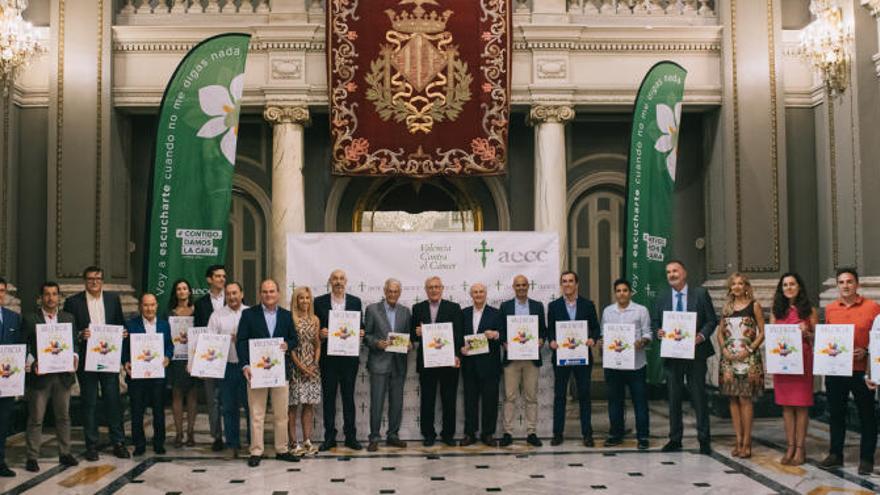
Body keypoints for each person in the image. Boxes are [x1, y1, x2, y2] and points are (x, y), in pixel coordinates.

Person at [62, 266, 129, 460]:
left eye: (98, 278)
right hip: (87, 361)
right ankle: (91, 445)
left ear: (102, 280)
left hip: (108, 360)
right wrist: (80, 334)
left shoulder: (112, 299)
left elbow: (120, 323)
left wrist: (123, 333)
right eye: (90, 279)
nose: (94, 282)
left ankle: (118, 442)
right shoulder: (73, 302)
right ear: (85, 281)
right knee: (89, 403)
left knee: (113, 401)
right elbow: (67, 331)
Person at [653, 259, 718, 455]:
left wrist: (701, 336)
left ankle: (704, 439)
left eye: (675, 271)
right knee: (673, 398)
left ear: (684, 273)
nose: (671, 274)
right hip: (672, 355)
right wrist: (659, 332)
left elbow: (711, 320)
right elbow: (656, 322)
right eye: (668, 272)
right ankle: (675, 439)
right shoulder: (661, 297)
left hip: (696, 353)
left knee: (698, 396)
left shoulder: (700, 294)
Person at [819, 268, 880, 475]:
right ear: (837, 285)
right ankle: (835, 454)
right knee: (836, 414)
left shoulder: (873, 308)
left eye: (849, 281)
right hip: (836, 371)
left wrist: (867, 351)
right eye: (841, 282)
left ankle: (866, 458)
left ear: (857, 284)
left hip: (862, 371)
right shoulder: (830, 309)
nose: (845, 285)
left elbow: (879, 339)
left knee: (867, 415)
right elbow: (826, 340)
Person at [236, 279, 300, 467]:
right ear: (260, 294)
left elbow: (294, 339)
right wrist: (245, 365)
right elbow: (241, 341)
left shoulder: (287, 316)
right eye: (265, 292)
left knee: (281, 414)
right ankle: (256, 451)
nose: (268, 295)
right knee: (257, 414)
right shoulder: (248, 315)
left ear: (278, 293)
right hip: (256, 373)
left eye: (272, 291)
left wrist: (288, 345)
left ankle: (282, 449)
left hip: (280, 372)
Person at [22, 282, 79, 472]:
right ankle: (32, 457)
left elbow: (74, 345)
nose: (51, 298)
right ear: (41, 297)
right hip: (40, 378)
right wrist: (32, 363)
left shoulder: (68, 318)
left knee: (63, 417)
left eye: (54, 294)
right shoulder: (31, 319)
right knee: (36, 418)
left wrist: (75, 357)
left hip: (63, 376)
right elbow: (25, 347)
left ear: (59, 297)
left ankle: (65, 452)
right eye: (47, 294)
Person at [548, 271, 600, 447]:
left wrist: (592, 339)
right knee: (560, 396)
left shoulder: (588, 305)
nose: (567, 284)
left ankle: (587, 434)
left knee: (584, 395)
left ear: (577, 284)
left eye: (571, 281)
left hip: (582, 357)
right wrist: (552, 341)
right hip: (561, 357)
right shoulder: (553, 306)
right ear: (561, 285)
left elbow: (595, 328)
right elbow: (550, 331)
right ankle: (557, 433)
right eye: (564, 281)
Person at [770, 272, 817, 467]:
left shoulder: (809, 310)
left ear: (799, 287)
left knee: (801, 405)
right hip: (783, 362)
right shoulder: (776, 311)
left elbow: (817, 338)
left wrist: (808, 332)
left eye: (792, 284)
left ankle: (800, 448)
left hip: (803, 362)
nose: (788, 288)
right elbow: (773, 336)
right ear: (781, 289)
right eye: (785, 285)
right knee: (787, 406)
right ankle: (789, 446)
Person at [716, 273, 764, 459]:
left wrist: (750, 349)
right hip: (729, 358)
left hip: (748, 358)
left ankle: (747, 442)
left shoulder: (755, 306)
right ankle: (737, 440)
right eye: (733, 284)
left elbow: (762, 332)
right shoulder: (727, 307)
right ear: (730, 288)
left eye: (740, 283)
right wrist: (724, 349)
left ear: (746, 286)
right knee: (733, 400)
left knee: (745, 399)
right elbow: (720, 333)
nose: (737, 286)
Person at [314, 269, 364, 451]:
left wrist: (361, 332)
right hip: (328, 359)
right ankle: (329, 437)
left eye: (341, 278)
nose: (338, 281)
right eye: (335, 278)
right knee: (329, 399)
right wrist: (320, 334)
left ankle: (351, 436)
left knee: (349, 398)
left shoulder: (355, 302)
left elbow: (361, 326)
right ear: (330, 281)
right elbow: (314, 329)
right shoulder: (318, 302)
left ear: (346, 281)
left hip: (349, 359)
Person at [411, 276, 463, 447]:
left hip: (448, 362)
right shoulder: (417, 308)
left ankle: (448, 434)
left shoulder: (454, 308)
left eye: (436, 287)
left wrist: (456, 355)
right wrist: (416, 333)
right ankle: (428, 434)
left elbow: (458, 335)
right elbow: (412, 335)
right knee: (427, 400)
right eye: (430, 287)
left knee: (449, 400)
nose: (433, 290)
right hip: (427, 362)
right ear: (426, 290)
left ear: (442, 288)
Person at [600, 278, 651, 450]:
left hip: (636, 364)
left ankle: (643, 436)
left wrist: (642, 342)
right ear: (615, 293)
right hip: (613, 365)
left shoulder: (641, 310)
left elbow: (648, 333)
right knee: (615, 401)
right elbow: (603, 334)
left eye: (625, 290)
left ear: (630, 292)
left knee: (640, 401)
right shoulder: (608, 311)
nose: (622, 293)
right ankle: (616, 434)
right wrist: (602, 342)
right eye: (618, 291)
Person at [363, 278, 411, 452]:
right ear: (384, 291)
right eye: (389, 291)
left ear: (400, 293)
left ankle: (393, 435)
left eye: (395, 291)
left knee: (396, 402)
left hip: (399, 363)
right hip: (379, 363)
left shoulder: (406, 312)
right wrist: (377, 343)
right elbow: (366, 336)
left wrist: (410, 344)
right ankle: (374, 437)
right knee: (377, 402)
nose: (392, 294)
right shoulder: (372, 310)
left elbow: (408, 337)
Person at [498, 274, 546, 447]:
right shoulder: (505, 306)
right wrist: (504, 342)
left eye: (524, 285)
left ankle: (531, 432)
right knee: (510, 397)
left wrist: (541, 339)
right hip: (512, 359)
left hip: (531, 359)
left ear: (528, 286)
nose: (521, 288)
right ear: (513, 287)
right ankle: (507, 433)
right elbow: (501, 330)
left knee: (531, 397)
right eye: (517, 285)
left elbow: (543, 330)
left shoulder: (537, 306)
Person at [123, 293, 173, 456]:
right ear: (140, 307)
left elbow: (170, 346)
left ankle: (159, 443)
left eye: (152, 305)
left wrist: (167, 356)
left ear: (156, 306)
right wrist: (125, 362)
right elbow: (124, 349)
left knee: (159, 411)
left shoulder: (165, 325)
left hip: (158, 376)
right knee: (137, 411)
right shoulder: (130, 325)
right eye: (145, 305)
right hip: (137, 376)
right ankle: (139, 444)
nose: (149, 308)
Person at [207, 281, 250, 457]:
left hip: (247, 367)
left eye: (235, 293)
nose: (232, 297)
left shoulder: (251, 313)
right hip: (226, 367)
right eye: (229, 294)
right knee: (228, 407)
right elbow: (210, 341)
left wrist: (241, 338)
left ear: (242, 294)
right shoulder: (216, 316)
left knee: (250, 407)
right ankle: (232, 444)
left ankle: (252, 443)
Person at [461, 283, 503, 447]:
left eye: (481, 292)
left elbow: (504, 334)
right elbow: (458, 335)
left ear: (486, 294)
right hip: (469, 364)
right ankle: (470, 433)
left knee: (490, 401)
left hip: (490, 365)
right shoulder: (463, 313)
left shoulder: (496, 313)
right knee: (470, 401)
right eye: (475, 292)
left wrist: (495, 334)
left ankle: (488, 434)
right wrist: (460, 348)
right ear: (471, 295)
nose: (478, 294)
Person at [193, 264, 227, 452]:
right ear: (209, 279)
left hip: (230, 357)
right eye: (218, 276)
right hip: (210, 358)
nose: (222, 279)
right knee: (212, 399)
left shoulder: (233, 299)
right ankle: (217, 437)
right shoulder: (200, 304)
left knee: (229, 398)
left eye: (224, 276)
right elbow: (197, 334)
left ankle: (234, 435)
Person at [288, 286, 321, 457]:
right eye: (301, 298)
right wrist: (301, 367)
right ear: (296, 300)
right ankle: (293, 442)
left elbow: (317, 343)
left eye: (308, 298)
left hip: (312, 367)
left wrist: (314, 364)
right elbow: (291, 347)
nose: (305, 301)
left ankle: (307, 441)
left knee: (309, 405)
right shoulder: (290, 318)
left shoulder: (315, 319)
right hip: (295, 366)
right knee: (293, 406)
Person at [167, 279, 198, 448]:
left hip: (193, 358)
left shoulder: (196, 311)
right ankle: (178, 433)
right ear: (175, 292)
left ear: (189, 292)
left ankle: (191, 432)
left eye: (185, 288)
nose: (182, 291)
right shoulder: (169, 313)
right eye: (178, 289)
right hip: (176, 359)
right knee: (177, 395)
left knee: (192, 395)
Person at [0, 277, 22, 477]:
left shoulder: (13, 318)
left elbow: (19, 346)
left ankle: (0, 461)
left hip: (6, 381)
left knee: (3, 421)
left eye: (1, 291)